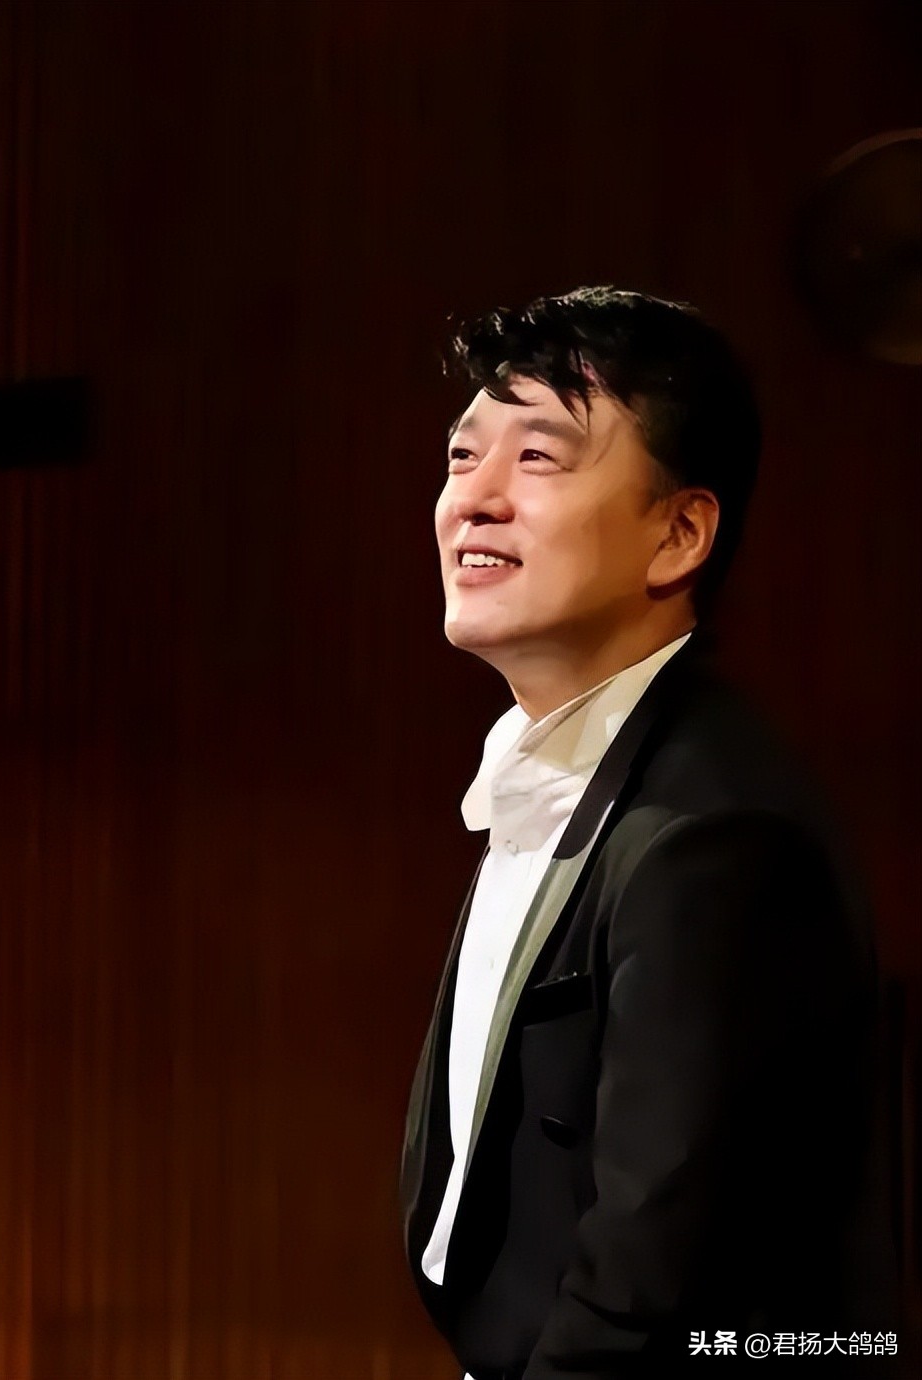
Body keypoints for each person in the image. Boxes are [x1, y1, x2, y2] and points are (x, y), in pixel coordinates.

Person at [399, 287, 895, 1378]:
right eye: (461, 457)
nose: (474, 499)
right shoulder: (555, 768)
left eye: (537, 457)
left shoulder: (714, 838)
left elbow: (656, 1290)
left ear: (679, 533)